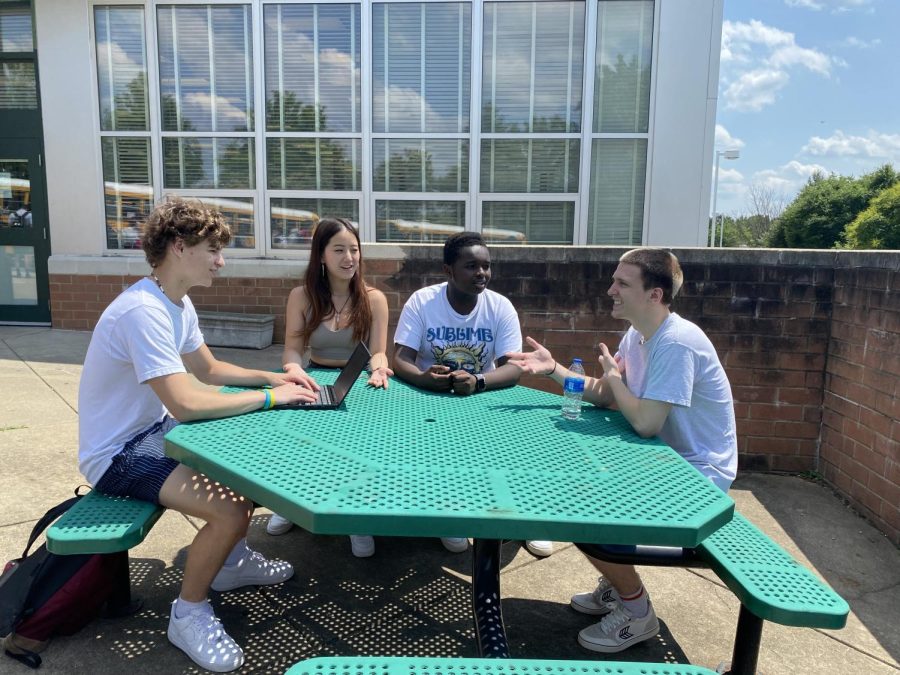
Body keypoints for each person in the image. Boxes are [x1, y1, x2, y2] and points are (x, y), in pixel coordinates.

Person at [78, 199, 318, 673]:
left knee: (246, 467)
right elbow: (187, 402)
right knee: (229, 508)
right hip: (118, 454)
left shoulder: (175, 301)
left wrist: (272, 379)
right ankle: (187, 613)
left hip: (153, 432)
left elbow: (207, 369)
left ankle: (230, 562)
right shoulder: (141, 312)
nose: (220, 261)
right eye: (212, 249)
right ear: (179, 246)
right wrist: (273, 400)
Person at [508, 248, 737, 653]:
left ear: (655, 295)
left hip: (699, 478)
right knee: (572, 484)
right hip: (661, 459)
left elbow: (646, 423)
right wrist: (554, 369)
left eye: (622, 283)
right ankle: (618, 586)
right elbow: (607, 395)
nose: (610, 289)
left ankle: (636, 612)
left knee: (586, 508)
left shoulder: (677, 342)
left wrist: (614, 378)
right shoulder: (638, 334)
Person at [392, 231, 555, 558]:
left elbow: (513, 368)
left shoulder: (500, 307)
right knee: (437, 460)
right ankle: (448, 514)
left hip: (481, 397)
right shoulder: (422, 302)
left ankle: (527, 521)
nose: (481, 273)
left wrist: (479, 380)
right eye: (471, 266)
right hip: (430, 399)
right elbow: (400, 358)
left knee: (512, 457)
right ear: (448, 271)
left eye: (486, 266)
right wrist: (424, 379)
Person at [265, 217, 392, 558]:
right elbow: (292, 347)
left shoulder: (374, 299)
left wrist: (380, 368)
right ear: (321, 255)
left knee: (358, 449)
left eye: (354, 250)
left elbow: (379, 351)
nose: (349, 258)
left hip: (359, 381)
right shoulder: (301, 297)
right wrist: (292, 367)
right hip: (314, 375)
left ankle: (356, 518)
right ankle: (290, 504)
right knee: (303, 444)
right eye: (339, 250)